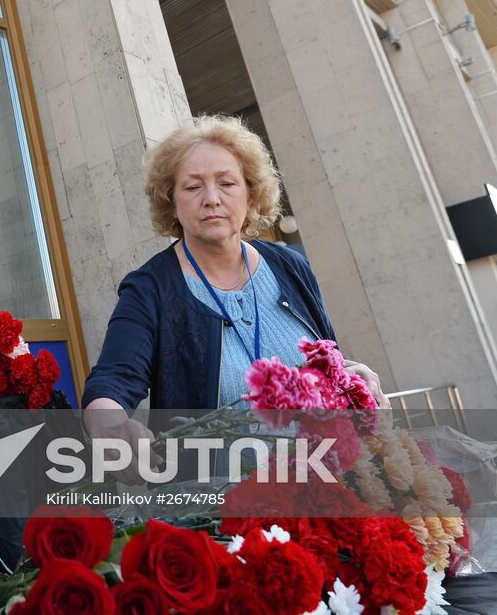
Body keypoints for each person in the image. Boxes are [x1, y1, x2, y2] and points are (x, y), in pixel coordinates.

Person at [81, 115, 383, 475]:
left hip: (325, 478)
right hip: (216, 508)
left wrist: (353, 382)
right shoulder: (150, 288)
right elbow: (113, 380)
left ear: (251, 194)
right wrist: (110, 429)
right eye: (192, 187)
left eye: (227, 183)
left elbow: (328, 361)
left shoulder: (290, 266)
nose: (212, 199)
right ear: (171, 202)